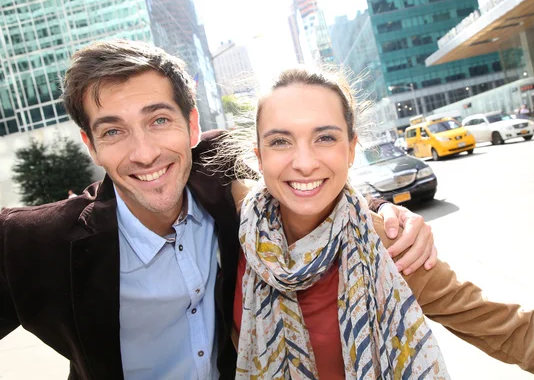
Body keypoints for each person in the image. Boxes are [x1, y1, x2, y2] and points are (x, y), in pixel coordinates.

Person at [0, 40, 436, 380]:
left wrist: (381, 209)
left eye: (159, 120)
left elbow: (300, 178)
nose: (146, 153)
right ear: (90, 145)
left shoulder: (218, 167)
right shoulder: (32, 243)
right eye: (114, 131)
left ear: (192, 125)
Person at [225, 67, 534, 379]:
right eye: (280, 142)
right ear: (258, 155)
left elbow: (513, 330)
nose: (304, 162)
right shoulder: (232, 226)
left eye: (325, 137)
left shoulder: (390, 248)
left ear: (352, 149)